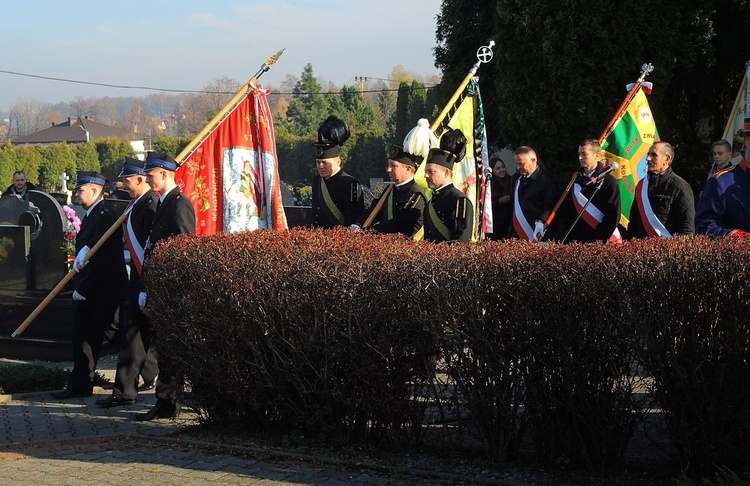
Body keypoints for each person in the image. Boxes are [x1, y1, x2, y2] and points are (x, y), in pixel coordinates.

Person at [52, 171, 128, 399]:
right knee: (83, 339)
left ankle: (150, 369)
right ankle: (79, 386)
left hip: (103, 292)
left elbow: (101, 260)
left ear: (95, 190)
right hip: (90, 291)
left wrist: (83, 289)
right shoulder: (93, 214)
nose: (77, 193)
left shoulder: (105, 215)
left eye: (80, 189)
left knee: (117, 337)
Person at [134, 152, 196, 421]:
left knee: (171, 349)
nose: (147, 179)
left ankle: (168, 403)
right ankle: (165, 402)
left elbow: (184, 249)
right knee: (165, 347)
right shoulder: (163, 203)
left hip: (171, 290)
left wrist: (172, 288)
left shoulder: (179, 204)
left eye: (150, 175)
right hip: (159, 287)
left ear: (163, 173)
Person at [96, 157, 160, 408]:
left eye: (127, 179)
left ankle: (126, 390)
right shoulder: (135, 205)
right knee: (132, 337)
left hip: (146, 281)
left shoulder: (149, 205)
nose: (123, 184)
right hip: (136, 280)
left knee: (134, 336)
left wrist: (146, 285)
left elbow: (150, 247)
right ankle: (129, 388)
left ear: (140, 179)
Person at [353, 119, 435, 237]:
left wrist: (368, 232)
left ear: (408, 169)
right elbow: (375, 209)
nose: (388, 169)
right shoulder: (390, 189)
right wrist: (357, 225)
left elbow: (399, 225)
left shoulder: (416, 195)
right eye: (388, 165)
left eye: (394, 166)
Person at [553, 139, 621, 243]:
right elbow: (563, 206)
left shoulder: (609, 182)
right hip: (574, 240)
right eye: (579, 154)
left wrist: (597, 241)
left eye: (584, 154)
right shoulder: (575, 178)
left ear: (596, 154)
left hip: (596, 243)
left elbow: (612, 216)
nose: (580, 158)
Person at [627, 142, 695, 238]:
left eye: (654, 155)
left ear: (667, 159)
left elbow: (686, 227)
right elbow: (634, 222)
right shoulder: (641, 185)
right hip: (641, 249)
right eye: (648, 154)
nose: (648, 158)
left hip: (667, 249)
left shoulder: (679, 186)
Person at [311, 115, 364, 228]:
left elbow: (354, 218)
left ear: (338, 161)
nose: (320, 166)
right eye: (318, 162)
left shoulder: (351, 184)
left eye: (325, 163)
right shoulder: (317, 180)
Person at [422, 127, 474, 243]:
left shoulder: (460, 201)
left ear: (446, 172)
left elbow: (461, 243)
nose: (425, 176)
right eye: (426, 171)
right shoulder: (431, 202)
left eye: (431, 172)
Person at [695, 132, 750, 236]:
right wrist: (742, 239)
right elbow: (705, 225)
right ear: (748, 143)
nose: (716, 156)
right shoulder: (720, 181)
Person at [508, 146, 557, 241]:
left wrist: (541, 221)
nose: (518, 167)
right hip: (516, 233)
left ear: (533, 160)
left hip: (537, 233)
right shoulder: (516, 179)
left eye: (521, 164)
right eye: (517, 164)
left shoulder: (547, 181)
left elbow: (549, 206)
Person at [484, 156, 513, 240]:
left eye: (503, 167)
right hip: (495, 222)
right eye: (498, 168)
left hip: (509, 220)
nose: (502, 170)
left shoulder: (511, 180)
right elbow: (486, 204)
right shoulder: (489, 184)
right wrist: (499, 201)